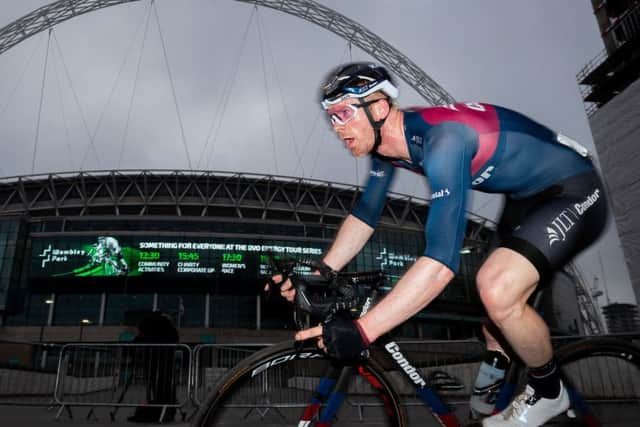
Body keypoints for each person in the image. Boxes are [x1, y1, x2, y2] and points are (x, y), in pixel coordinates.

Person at [273, 62, 607, 427]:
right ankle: (492, 402)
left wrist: (364, 330)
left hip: (573, 189)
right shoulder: (387, 147)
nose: (337, 128)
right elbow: (366, 215)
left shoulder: (443, 141)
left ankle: (549, 393)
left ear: (379, 109)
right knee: (493, 322)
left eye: (343, 113)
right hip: (524, 198)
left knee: (497, 289)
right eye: (330, 117)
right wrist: (322, 271)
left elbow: (440, 261)